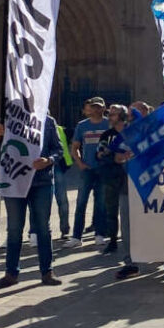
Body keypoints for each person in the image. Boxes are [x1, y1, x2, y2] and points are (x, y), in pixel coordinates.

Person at [0, 114, 64, 287]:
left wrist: (49, 160)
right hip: (15, 181)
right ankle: (11, 273)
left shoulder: (48, 121)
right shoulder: (10, 119)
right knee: (14, 228)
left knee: (43, 227)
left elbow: (58, 150)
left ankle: (47, 272)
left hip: (42, 182)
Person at [64, 98, 110, 248]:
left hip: (103, 169)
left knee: (101, 203)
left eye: (99, 107)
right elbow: (75, 147)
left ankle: (100, 234)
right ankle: (76, 236)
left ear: (103, 108)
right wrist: (79, 163)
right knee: (81, 202)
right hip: (87, 169)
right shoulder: (82, 126)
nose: (96, 110)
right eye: (93, 107)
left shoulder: (108, 124)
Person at [98, 105, 130, 255]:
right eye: (109, 114)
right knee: (111, 211)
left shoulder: (132, 132)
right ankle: (112, 241)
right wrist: (115, 157)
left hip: (129, 176)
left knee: (129, 211)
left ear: (122, 116)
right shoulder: (107, 135)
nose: (110, 117)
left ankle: (131, 241)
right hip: (111, 176)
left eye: (113, 114)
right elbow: (100, 154)